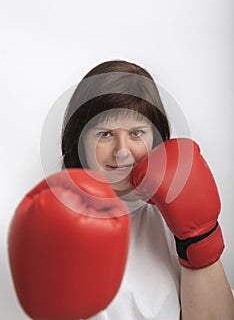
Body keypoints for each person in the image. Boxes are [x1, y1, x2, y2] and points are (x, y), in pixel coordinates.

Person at [8, 60, 234, 320]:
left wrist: (198, 239)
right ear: (80, 141)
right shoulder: (54, 216)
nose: (122, 150)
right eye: (105, 134)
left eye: (137, 132)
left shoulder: (173, 210)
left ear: (156, 138)